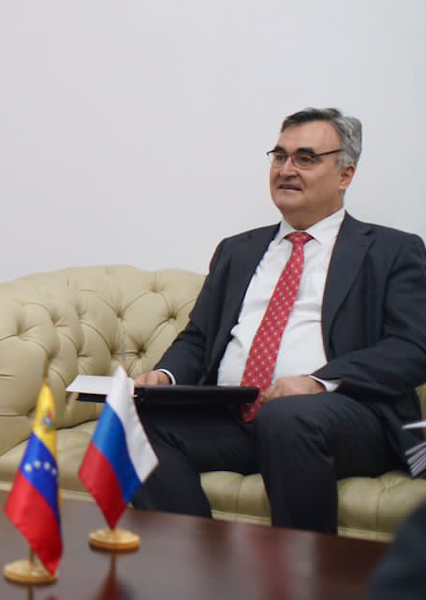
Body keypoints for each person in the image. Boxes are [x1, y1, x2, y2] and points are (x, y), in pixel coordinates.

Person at [130, 107, 426, 534]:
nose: (286, 170)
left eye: (306, 158)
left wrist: (318, 382)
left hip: (347, 418)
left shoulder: (391, 250)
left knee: (288, 417)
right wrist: (165, 376)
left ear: (345, 174)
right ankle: (198, 559)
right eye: (280, 156)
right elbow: (198, 338)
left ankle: (305, 569)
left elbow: (412, 348)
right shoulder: (237, 250)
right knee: (132, 422)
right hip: (236, 415)